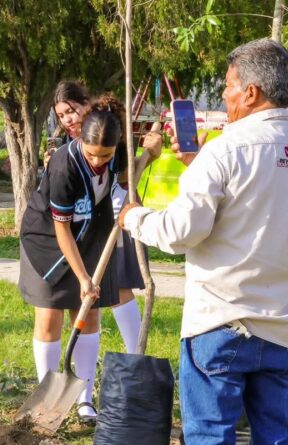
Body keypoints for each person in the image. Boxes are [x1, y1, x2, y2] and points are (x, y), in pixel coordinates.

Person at [120, 38, 288, 444]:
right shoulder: (220, 154)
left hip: (221, 321)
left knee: (210, 436)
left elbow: (179, 232)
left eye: (228, 87)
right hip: (283, 326)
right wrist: (195, 166)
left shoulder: (225, 151)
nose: (224, 96)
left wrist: (134, 218)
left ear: (251, 93)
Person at [20, 95, 162, 425]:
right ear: (81, 141)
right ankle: (47, 402)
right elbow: (62, 228)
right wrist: (83, 278)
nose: (98, 162)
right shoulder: (63, 166)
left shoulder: (119, 153)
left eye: (106, 156)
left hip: (93, 234)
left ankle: (84, 401)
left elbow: (130, 192)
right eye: (92, 154)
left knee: (89, 317)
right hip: (49, 241)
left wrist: (149, 158)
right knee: (50, 316)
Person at [50, 80, 161, 355]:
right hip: (86, 225)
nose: (67, 120)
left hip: (117, 215)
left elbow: (124, 176)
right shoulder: (70, 143)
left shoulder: (108, 132)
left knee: (120, 287)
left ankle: (137, 357)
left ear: (87, 106)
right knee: (100, 291)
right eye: (61, 115)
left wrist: (149, 155)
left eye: (72, 111)